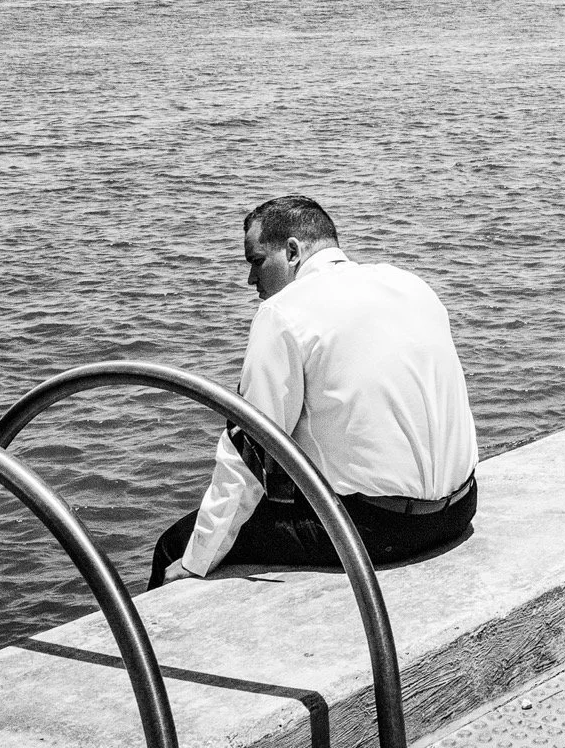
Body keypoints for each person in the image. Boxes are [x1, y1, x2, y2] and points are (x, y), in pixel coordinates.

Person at [148, 194, 478, 590]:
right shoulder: (409, 284)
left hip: (383, 531)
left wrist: (196, 560)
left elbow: (249, 452)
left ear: (292, 252)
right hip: (458, 511)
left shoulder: (283, 313)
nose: (252, 280)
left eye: (256, 262)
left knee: (174, 546)